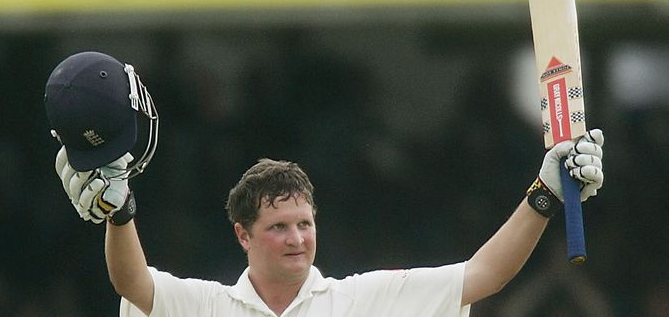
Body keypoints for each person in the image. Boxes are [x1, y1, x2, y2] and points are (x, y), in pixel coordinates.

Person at [44, 51, 605, 317]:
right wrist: (120, 213)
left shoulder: (360, 301)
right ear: (242, 236)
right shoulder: (207, 307)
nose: (297, 238)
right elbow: (133, 285)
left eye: (305, 224)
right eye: (279, 227)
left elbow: (482, 275)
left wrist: (545, 193)